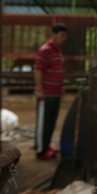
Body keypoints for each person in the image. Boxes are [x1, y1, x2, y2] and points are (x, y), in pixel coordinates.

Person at [34, 23, 69, 159]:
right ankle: (41, 151)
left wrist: (61, 87)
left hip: (56, 93)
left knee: (52, 121)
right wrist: (40, 91)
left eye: (65, 36)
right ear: (53, 35)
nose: (64, 38)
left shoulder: (58, 50)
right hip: (46, 94)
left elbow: (58, 71)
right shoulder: (44, 50)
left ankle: (47, 146)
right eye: (62, 35)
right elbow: (38, 71)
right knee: (43, 123)